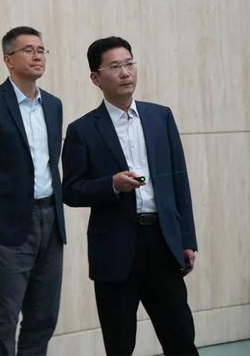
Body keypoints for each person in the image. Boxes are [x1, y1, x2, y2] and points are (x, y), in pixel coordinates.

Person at [62, 36, 198, 355]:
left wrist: (187, 239)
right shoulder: (82, 130)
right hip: (115, 248)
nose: (125, 73)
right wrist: (111, 184)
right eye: (115, 66)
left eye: (129, 64)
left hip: (162, 241)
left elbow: (180, 182)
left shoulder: (160, 117)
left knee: (180, 337)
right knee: (120, 343)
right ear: (95, 78)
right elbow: (71, 191)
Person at [0, 26, 66, 356]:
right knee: (7, 313)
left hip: (51, 219)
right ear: (8, 59)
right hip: (10, 223)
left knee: (44, 314)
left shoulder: (53, 105)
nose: (37, 56)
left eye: (41, 50)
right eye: (28, 50)